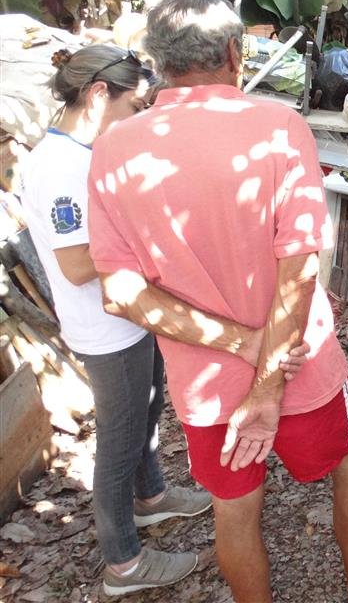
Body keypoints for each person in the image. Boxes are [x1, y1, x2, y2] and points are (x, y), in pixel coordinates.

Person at [86, 0, 348, 603]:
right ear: (235, 53)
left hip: (205, 382)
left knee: (233, 509)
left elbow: (122, 292)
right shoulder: (277, 126)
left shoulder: (114, 148)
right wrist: (267, 381)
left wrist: (240, 347)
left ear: (157, 62)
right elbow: (299, 268)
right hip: (300, 362)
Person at [20, 45, 211, 597]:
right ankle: (123, 563)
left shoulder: (81, 153)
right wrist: (153, 254)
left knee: (148, 410)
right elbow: (78, 264)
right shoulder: (58, 169)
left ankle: (151, 497)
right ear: (98, 95)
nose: (133, 119)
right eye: (131, 106)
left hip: (128, 314)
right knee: (120, 440)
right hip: (107, 326)